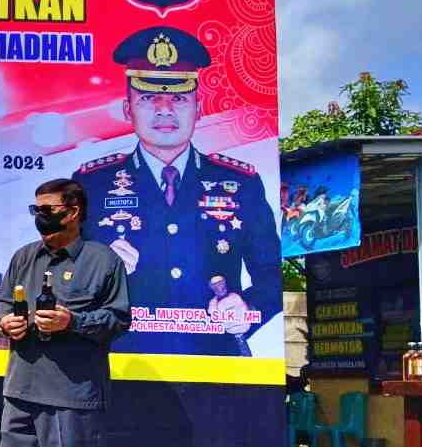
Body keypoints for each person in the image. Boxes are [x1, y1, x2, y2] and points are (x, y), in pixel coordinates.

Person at [74, 26, 280, 355]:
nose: (164, 109)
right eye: (148, 97)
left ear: (198, 108)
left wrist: (248, 308)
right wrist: (100, 268)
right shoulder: (92, 184)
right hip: (122, 367)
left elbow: (273, 275)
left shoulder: (241, 184)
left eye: (179, 98)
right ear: (128, 109)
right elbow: (62, 276)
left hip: (215, 364)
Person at [0, 178, 130, 447]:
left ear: (73, 212)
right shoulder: (24, 257)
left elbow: (119, 319)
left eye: (47, 210)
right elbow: (1, 301)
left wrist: (74, 321)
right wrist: (4, 321)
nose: (39, 216)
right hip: (21, 388)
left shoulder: (103, 261)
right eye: (35, 210)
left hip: (73, 394)